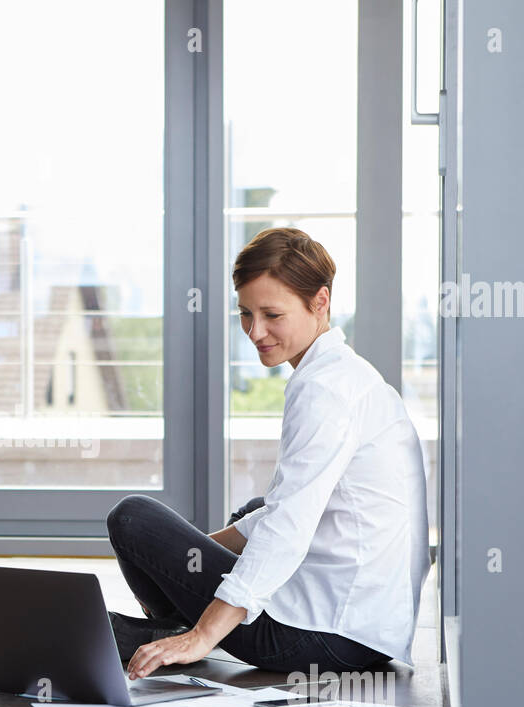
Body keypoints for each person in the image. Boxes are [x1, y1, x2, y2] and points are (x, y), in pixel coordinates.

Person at [107, 227, 431, 680]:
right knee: (255, 509)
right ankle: (174, 624)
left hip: (324, 637)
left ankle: (177, 631)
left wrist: (202, 634)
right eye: (245, 313)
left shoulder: (325, 390)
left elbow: (289, 526)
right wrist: (187, 553)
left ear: (320, 302)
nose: (255, 331)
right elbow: (282, 511)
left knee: (133, 519)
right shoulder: (348, 374)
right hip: (369, 633)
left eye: (272, 314)